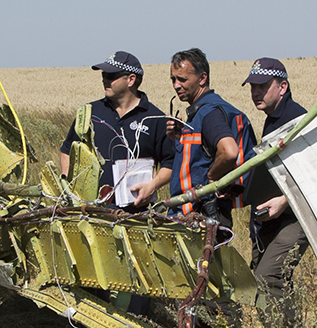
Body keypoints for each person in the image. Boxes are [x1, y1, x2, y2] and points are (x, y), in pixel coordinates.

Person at [57, 51, 174, 208]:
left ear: (131, 80)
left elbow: (171, 162)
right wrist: (68, 185)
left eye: (111, 76)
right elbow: (67, 150)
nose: (105, 80)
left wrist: (153, 185)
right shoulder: (90, 112)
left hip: (135, 216)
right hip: (89, 211)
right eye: (103, 75)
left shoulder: (156, 119)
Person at [243, 58, 308, 326]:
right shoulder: (272, 120)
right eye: (252, 86)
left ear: (283, 86)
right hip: (273, 218)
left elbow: (314, 173)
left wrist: (284, 199)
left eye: (262, 85)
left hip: (297, 215)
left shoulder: (298, 119)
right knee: (264, 282)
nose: (256, 91)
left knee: (267, 278)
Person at [168, 48, 254, 238]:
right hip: (201, 215)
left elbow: (229, 151)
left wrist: (212, 178)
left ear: (202, 78)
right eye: (173, 79)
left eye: (182, 79)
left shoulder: (209, 113)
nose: (176, 85)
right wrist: (178, 137)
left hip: (200, 216)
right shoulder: (203, 113)